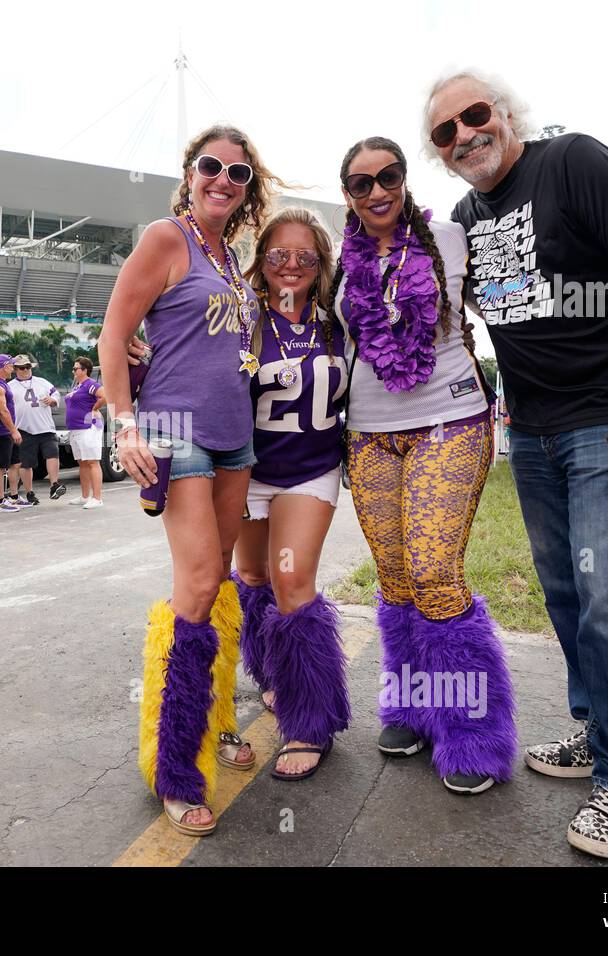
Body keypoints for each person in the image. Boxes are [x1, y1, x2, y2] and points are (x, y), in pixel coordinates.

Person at [427, 69, 608, 857]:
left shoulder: (572, 161)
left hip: (605, 424)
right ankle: (596, 730)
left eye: (474, 115)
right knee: (568, 592)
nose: (463, 135)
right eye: (444, 132)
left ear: (507, 115)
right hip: (533, 432)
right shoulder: (466, 216)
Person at [100, 124, 283, 835]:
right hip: (178, 437)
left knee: (226, 588)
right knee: (200, 584)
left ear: (247, 190)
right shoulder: (165, 238)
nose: (223, 180)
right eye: (212, 167)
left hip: (237, 444)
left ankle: (219, 722)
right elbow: (114, 334)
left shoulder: (233, 261)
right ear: (190, 172)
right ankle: (176, 764)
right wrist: (124, 424)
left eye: (238, 174)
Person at [333, 137, 517, 795]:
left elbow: (513, 312)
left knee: (436, 570)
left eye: (388, 176)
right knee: (396, 576)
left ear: (406, 178)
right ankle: (411, 708)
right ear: (347, 195)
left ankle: (471, 730)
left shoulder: (451, 237)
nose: (377, 192)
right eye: (361, 184)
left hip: (451, 422)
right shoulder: (339, 263)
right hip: (371, 438)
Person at [233, 206, 351, 781]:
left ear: (321, 263)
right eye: (279, 253)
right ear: (263, 260)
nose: (291, 265)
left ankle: (311, 719)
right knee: (252, 579)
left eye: (306, 255)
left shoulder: (340, 321)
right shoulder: (240, 318)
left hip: (310, 469)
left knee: (291, 579)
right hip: (247, 470)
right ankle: (277, 674)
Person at [6, 354, 66, 504]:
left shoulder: (42, 382)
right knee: (26, 463)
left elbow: (56, 393)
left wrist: (53, 400)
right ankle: (29, 492)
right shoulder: (10, 386)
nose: (25, 370)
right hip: (24, 429)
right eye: (21, 368)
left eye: (27, 367)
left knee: (53, 454)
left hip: (45, 426)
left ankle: (54, 485)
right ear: (15, 369)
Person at [64, 356, 107, 508]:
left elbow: (104, 395)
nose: (73, 371)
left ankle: (97, 498)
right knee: (82, 463)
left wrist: (94, 408)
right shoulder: (78, 386)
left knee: (92, 461)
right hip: (75, 428)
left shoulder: (90, 384)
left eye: (76, 368)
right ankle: (84, 496)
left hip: (88, 427)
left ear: (84, 370)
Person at [0, 354, 24, 510]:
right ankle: (0, 501)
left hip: (8, 430)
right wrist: (13, 430)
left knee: (15, 463)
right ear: (4, 366)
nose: (13, 368)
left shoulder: (3, 383)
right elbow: (2, 410)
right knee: (0, 466)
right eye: (11, 365)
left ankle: (14, 497)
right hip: (0, 431)